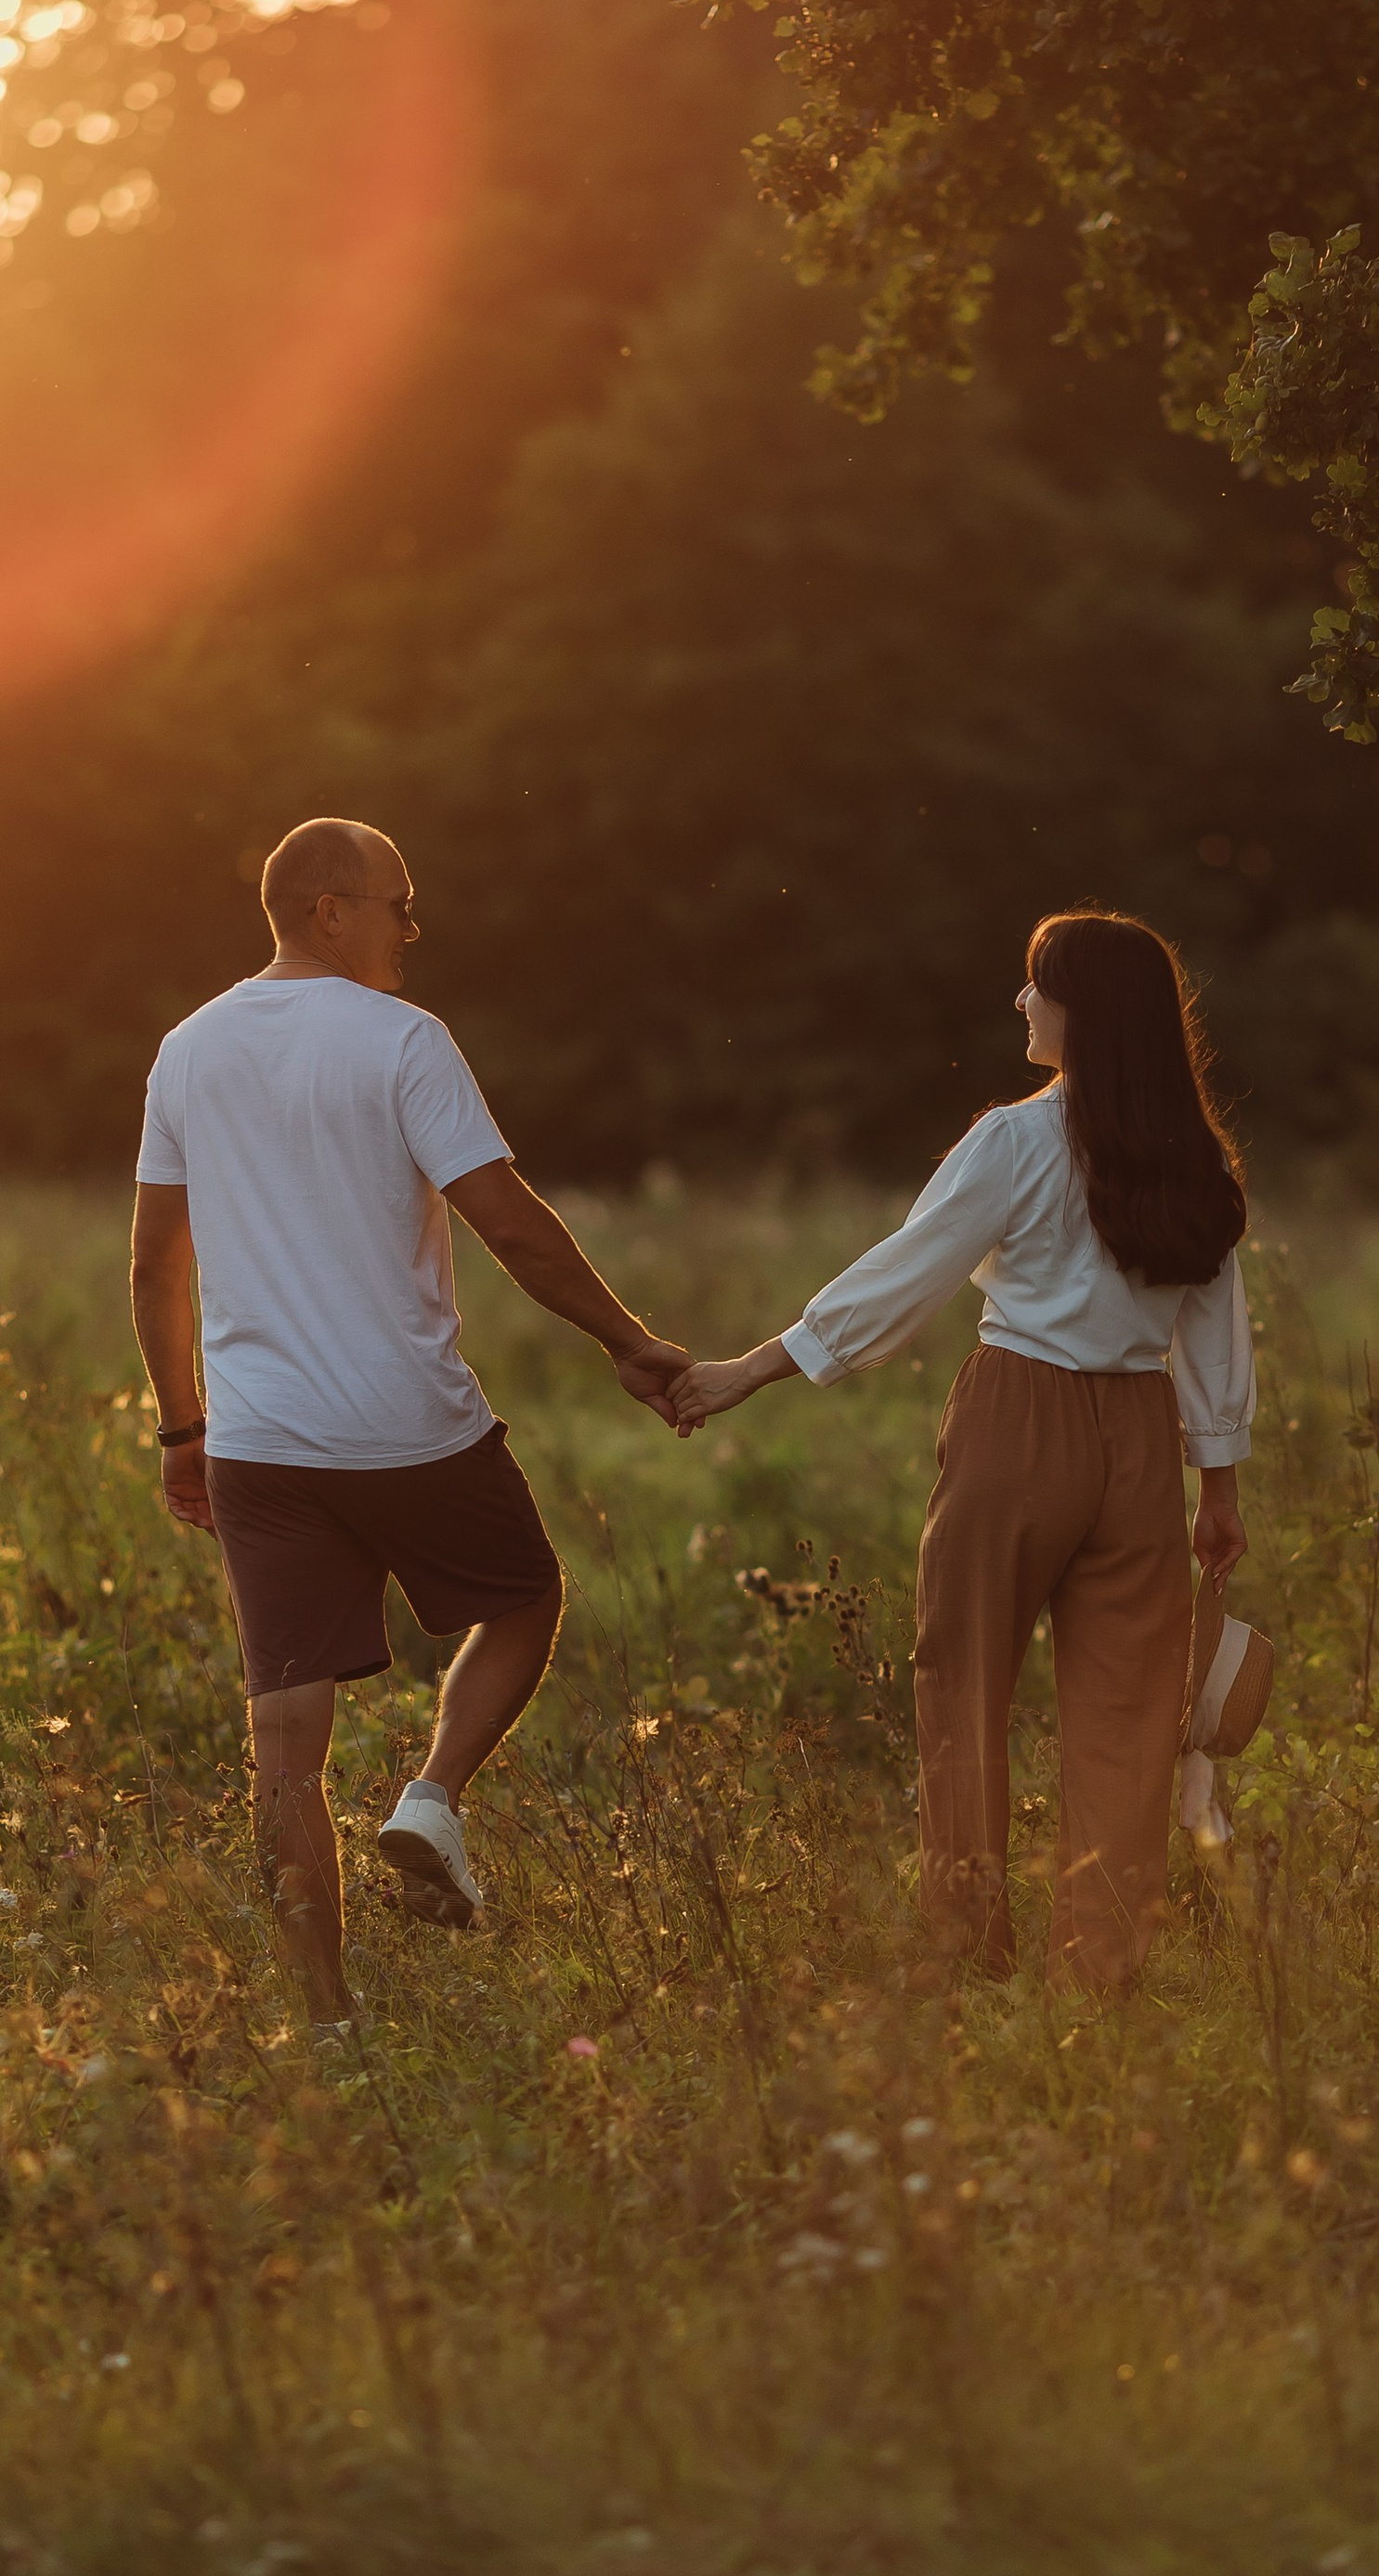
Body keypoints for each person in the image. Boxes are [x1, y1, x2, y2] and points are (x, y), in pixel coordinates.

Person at [130, 815, 687, 2016]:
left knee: (285, 1745)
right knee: (526, 1599)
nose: (408, 930)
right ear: (332, 910)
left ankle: (329, 2028)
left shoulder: (187, 1051)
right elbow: (513, 1223)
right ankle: (433, 1798)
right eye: (398, 904)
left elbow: (151, 1267)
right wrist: (630, 1344)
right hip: (410, 1428)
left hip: (259, 1447)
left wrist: (183, 1431)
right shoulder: (404, 1044)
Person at [671, 910, 1252, 1992]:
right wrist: (1215, 1485)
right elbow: (1215, 1333)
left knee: (965, 1679)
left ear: (1081, 1010)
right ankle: (1103, 1972)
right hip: (1140, 1440)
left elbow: (905, 1274)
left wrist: (748, 1369)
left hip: (1017, 1424)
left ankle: (967, 1943)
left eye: (1036, 987)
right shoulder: (1195, 1155)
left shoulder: (1016, 1138)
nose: (1020, 1004)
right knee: (1128, 1716)